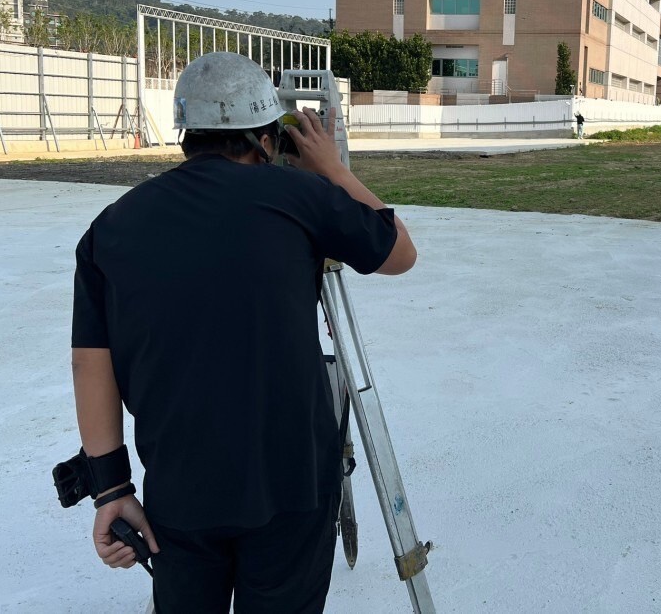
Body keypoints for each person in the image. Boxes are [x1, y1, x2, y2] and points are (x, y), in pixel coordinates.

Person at [70, 52, 416, 613]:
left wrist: (110, 488)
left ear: (187, 135)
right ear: (266, 137)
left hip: (180, 491)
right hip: (293, 485)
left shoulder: (111, 226)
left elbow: (90, 363)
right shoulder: (300, 197)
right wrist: (333, 169)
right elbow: (400, 253)